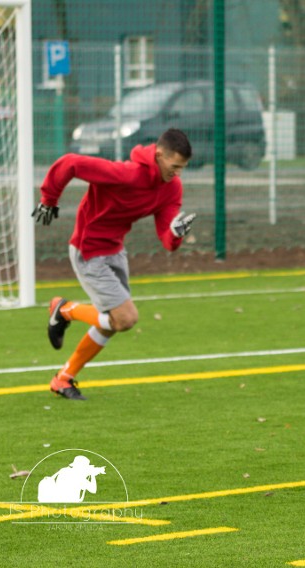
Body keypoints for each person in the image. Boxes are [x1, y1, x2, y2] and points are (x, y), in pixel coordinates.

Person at [33, 128, 197, 400]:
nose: (178, 173)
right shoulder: (127, 174)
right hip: (88, 250)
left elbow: (166, 240)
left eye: (183, 168)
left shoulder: (172, 188)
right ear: (159, 156)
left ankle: (63, 379)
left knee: (111, 323)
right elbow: (70, 163)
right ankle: (65, 310)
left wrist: (176, 234)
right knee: (125, 318)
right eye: (174, 166)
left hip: (115, 251)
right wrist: (49, 200)